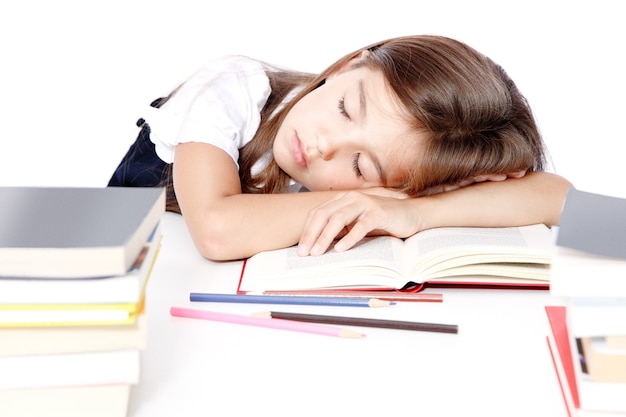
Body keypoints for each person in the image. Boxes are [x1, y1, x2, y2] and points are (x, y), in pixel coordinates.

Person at [108, 35, 573, 261]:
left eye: (359, 164)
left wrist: (417, 211)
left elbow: (558, 199)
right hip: (129, 280)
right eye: (348, 108)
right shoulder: (233, 87)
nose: (325, 144)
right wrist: (374, 198)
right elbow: (216, 230)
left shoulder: (406, 168)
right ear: (353, 62)